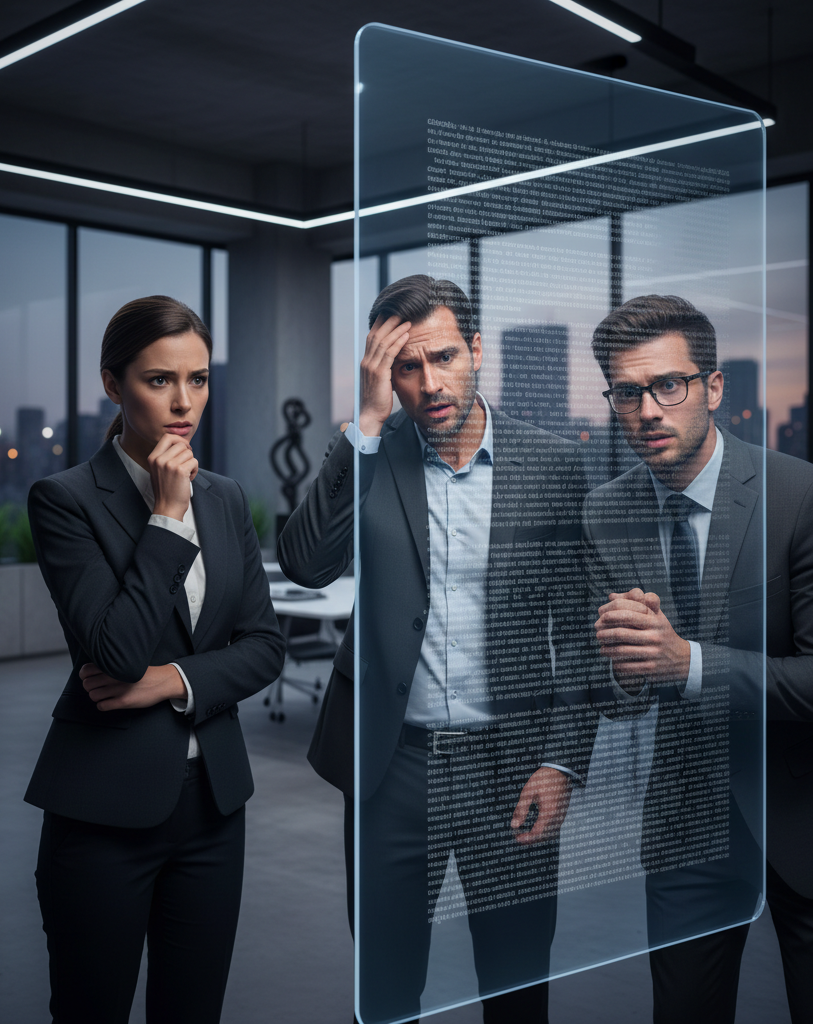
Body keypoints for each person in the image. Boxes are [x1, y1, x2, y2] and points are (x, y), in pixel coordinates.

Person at [278, 275, 596, 1024]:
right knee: (386, 991)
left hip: (511, 763)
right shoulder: (371, 453)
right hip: (394, 769)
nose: (430, 383)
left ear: (476, 350)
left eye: (445, 357)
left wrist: (560, 762)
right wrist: (363, 423)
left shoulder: (550, 466)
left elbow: (582, 631)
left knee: (517, 989)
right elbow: (305, 563)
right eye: (407, 367)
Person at [584, 293, 813, 1024]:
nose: (649, 409)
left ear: (713, 388)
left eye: (669, 385)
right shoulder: (605, 511)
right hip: (686, 819)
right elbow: (619, 693)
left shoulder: (805, 497)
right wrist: (623, 667)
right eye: (627, 391)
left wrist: (690, 665)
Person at [24, 295, 286, 1024]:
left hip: (213, 810)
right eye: (159, 380)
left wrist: (170, 683)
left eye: (198, 380)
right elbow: (115, 650)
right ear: (113, 384)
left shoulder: (228, 499)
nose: (183, 402)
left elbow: (266, 645)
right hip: (103, 815)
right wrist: (168, 516)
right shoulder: (65, 500)